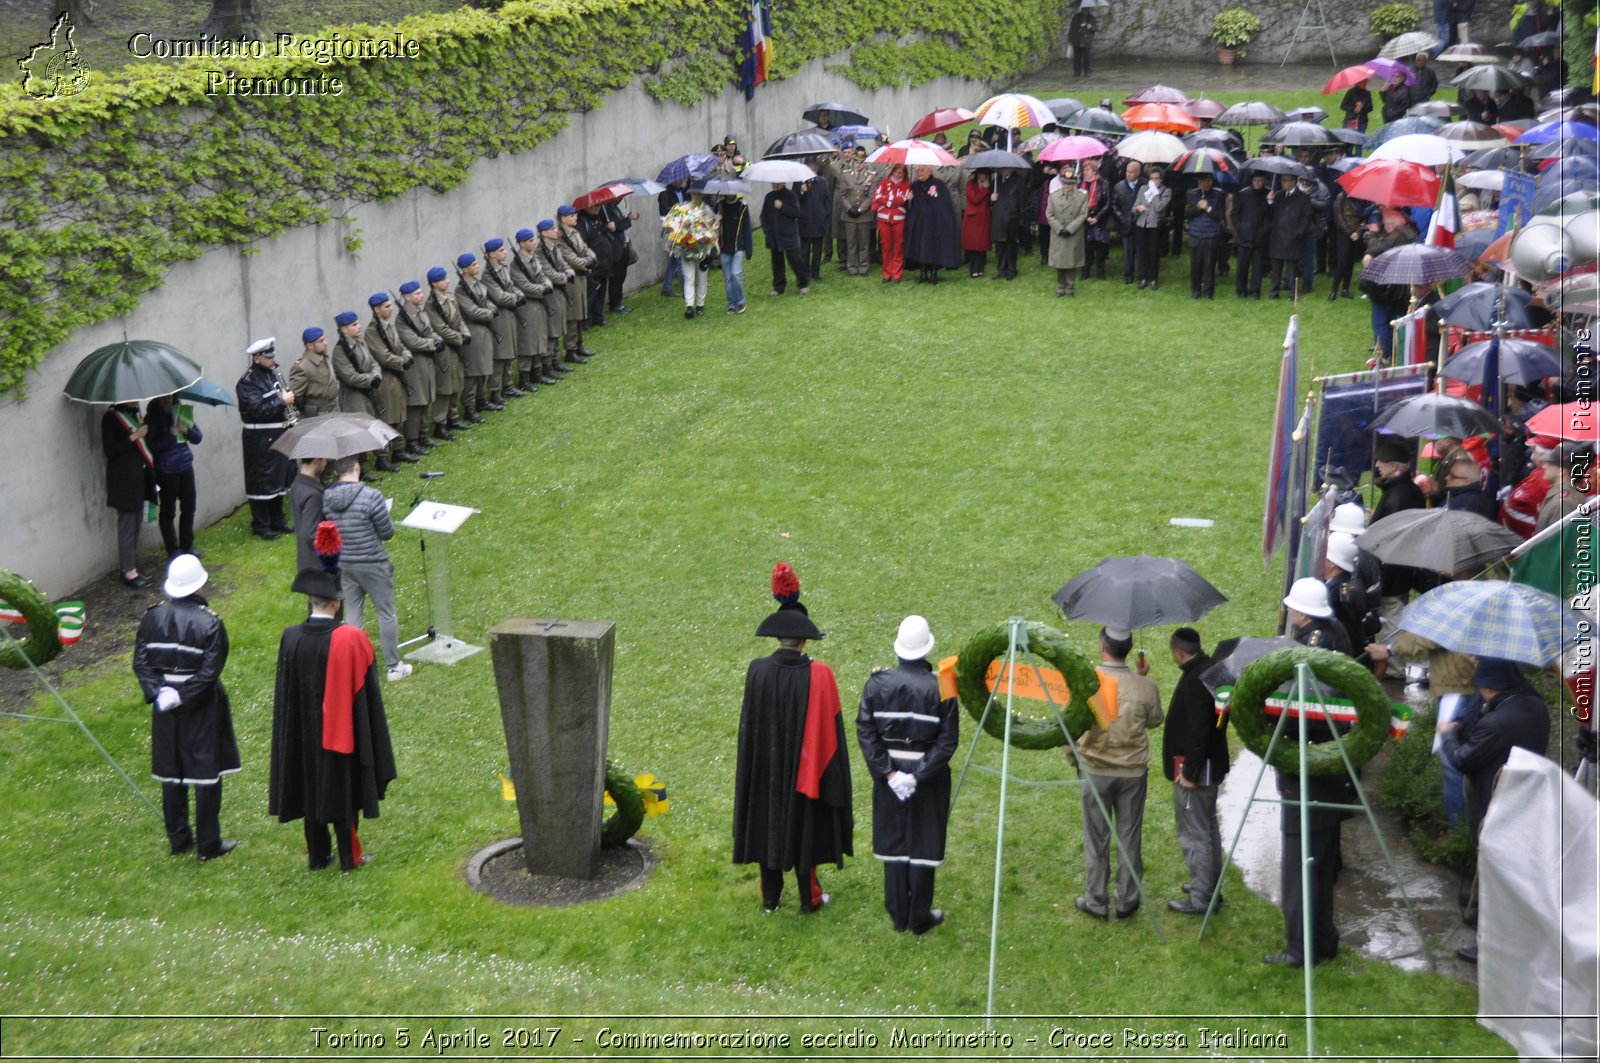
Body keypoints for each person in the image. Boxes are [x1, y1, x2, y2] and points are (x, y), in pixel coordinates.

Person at [732, 564, 852, 914]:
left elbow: (750, 726)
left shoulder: (757, 671)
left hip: (766, 768)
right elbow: (833, 739)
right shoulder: (821, 675)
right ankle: (809, 898)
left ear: (778, 638)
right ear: (804, 640)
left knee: (767, 823)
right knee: (805, 829)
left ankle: (770, 899)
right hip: (805, 771)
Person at [269, 567, 398, 872]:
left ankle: (317, 856)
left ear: (310, 602)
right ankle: (348, 857)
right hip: (343, 733)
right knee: (344, 789)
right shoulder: (351, 639)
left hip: (303, 734)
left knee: (309, 783)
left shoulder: (291, 638)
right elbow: (367, 697)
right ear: (336, 604)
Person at [1439, 657, 1552, 963]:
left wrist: (1448, 733)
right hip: (1525, 797)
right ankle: (1476, 911)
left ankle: (1487, 946)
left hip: (1494, 800)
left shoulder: (1496, 722)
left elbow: (1463, 759)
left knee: (1493, 869)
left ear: (1488, 688)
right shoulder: (1534, 706)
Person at [856, 615, 959, 934]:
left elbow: (866, 730)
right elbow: (947, 741)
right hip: (927, 779)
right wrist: (918, 775)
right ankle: (918, 916)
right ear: (927, 648)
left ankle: (898, 912)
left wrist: (889, 773)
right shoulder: (941, 688)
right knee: (924, 844)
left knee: (894, 842)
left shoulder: (877, 684)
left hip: (890, 777)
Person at [132, 554, 240, 860]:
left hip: (165, 704)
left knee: (172, 770)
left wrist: (158, 692)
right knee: (206, 772)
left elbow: (141, 662)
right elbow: (210, 670)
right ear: (198, 584)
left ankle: (179, 839)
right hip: (201, 703)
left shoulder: (151, 617)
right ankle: (208, 844)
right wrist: (185, 693)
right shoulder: (211, 622)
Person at [1072, 626, 1163, 921]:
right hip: (1132, 772)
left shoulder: (1087, 684)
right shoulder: (1144, 687)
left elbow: (1069, 727)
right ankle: (1127, 899)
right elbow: (1155, 720)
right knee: (1129, 836)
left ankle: (1097, 900)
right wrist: (1142, 681)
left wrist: (1075, 760)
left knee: (1096, 836)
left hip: (1094, 770)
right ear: (1129, 649)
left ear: (1102, 647)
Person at [320, 455, 409, 682]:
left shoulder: (327, 497)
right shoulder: (372, 496)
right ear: (357, 468)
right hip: (373, 562)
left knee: (353, 613)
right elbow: (387, 532)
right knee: (386, 612)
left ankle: (351, 666)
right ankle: (393, 667)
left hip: (346, 562)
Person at [1162, 627, 1229, 915]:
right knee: (1208, 827)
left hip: (1197, 771)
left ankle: (1202, 897)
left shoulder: (1194, 681)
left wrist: (1189, 771)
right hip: (1213, 764)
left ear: (1179, 652)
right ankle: (1209, 884)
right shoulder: (1213, 670)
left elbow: (1200, 731)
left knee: (1195, 832)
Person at [235, 337, 296, 539]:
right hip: (259, 437)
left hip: (278, 432)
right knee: (261, 479)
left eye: (273, 355)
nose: (273, 359)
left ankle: (277, 519)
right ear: (257, 358)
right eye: (268, 357)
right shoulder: (247, 382)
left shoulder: (272, 374)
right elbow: (258, 410)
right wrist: (281, 401)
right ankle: (261, 525)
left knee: (278, 477)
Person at [330, 310, 393, 471]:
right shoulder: (339, 352)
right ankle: (361, 467)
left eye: (358, 323)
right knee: (358, 432)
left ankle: (382, 458)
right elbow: (349, 376)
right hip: (354, 396)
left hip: (370, 390)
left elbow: (373, 363)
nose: (359, 326)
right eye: (354, 325)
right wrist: (371, 380)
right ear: (344, 330)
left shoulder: (361, 343)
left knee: (375, 424)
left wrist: (376, 374)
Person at [143, 394, 202, 562]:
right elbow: (151, 446)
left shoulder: (181, 411)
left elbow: (198, 437)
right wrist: (170, 434)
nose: (168, 400)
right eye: (164, 398)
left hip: (185, 465)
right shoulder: (151, 417)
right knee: (168, 511)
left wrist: (185, 430)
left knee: (189, 507)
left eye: (170, 397)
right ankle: (173, 550)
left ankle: (187, 546)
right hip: (166, 470)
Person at [363, 293, 417, 466]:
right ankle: (382, 456)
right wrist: (402, 362)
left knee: (399, 415)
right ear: (376, 310)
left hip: (397, 377)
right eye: (386, 306)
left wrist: (407, 356)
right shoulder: (372, 332)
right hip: (385, 380)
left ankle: (398, 450)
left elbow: (401, 346)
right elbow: (383, 356)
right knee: (386, 419)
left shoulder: (389, 326)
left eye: (390, 305)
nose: (391, 308)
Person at [483, 236, 534, 399]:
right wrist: (515, 298)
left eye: (504, 249)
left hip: (510, 315)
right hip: (499, 318)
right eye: (501, 251)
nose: (505, 252)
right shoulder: (487, 275)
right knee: (500, 356)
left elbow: (512, 287)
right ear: (492, 255)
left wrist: (519, 294)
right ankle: (495, 390)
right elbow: (498, 297)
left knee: (509, 353)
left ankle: (508, 385)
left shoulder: (503, 269)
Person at [394, 279, 444, 446]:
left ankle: (423, 434)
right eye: (417, 293)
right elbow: (412, 341)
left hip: (427, 361)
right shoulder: (402, 319)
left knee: (427, 398)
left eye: (421, 292)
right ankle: (412, 439)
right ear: (407, 298)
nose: (421, 295)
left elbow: (430, 331)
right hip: (415, 364)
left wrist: (437, 339)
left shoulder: (420, 312)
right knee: (416, 403)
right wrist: (432, 344)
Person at [451, 254, 499, 422]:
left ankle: (481, 399)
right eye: (473, 264)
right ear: (465, 269)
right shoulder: (461, 290)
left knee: (483, 368)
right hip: (473, 332)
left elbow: (488, 302)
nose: (477, 266)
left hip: (484, 331)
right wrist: (490, 313)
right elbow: (472, 311)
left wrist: (491, 310)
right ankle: (469, 406)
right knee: (472, 373)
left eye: (477, 263)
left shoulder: (478, 284)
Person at [422, 266, 468, 436]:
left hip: (455, 346)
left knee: (456, 381)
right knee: (444, 387)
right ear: (434, 283)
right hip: (444, 349)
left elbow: (459, 319)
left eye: (446, 278)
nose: (447, 281)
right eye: (442, 279)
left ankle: (453, 417)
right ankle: (440, 423)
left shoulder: (450, 297)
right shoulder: (431, 304)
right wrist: (459, 338)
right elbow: (440, 328)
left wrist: (465, 333)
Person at [663, 186, 719, 318]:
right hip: (687, 250)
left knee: (702, 278)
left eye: (697, 194)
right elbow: (677, 225)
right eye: (693, 194)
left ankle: (700, 305)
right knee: (689, 278)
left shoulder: (707, 210)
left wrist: (708, 244)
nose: (695, 196)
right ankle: (689, 306)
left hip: (703, 250)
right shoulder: (684, 209)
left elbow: (714, 229)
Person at [555, 204, 599, 362]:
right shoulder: (560, 237)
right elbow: (569, 258)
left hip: (581, 277)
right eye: (572, 216)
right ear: (563, 219)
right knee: (573, 315)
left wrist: (591, 257)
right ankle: (570, 349)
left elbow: (586, 248)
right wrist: (586, 263)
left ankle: (579, 344)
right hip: (572, 280)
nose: (576, 217)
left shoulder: (574, 232)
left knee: (581, 312)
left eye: (575, 215)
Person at [904, 164, 961, 284]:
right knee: (920, 247)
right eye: (918, 170)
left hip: (935, 223)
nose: (919, 173)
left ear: (929, 171)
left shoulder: (938, 184)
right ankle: (922, 272)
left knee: (933, 248)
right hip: (919, 224)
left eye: (922, 170)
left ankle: (934, 272)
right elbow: (910, 207)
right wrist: (908, 199)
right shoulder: (914, 186)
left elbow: (944, 205)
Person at [1266, 174, 1311, 299]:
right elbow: (1270, 214)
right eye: (1282, 180)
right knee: (1276, 267)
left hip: (1293, 237)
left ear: (1294, 182)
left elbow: (1306, 217)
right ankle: (1274, 292)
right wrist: (1270, 201)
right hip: (1277, 236)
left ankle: (1293, 292)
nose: (1283, 183)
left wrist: (1299, 233)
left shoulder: (1303, 198)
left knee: (1292, 268)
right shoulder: (1279, 195)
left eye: (1286, 181)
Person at [761, 182, 809, 294]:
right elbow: (763, 216)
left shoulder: (791, 195)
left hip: (788, 234)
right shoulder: (769, 197)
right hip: (774, 235)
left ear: (782, 182)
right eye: (772, 183)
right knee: (777, 261)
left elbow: (796, 213)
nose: (774, 185)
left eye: (776, 183)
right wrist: (767, 230)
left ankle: (803, 283)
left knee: (795, 260)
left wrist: (782, 206)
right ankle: (778, 286)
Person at [1046, 167, 1088, 296]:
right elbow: (1049, 214)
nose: (1067, 186)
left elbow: (1083, 214)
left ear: (1074, 183)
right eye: (1064, 183)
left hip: (1073, 233)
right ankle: (1060, 286)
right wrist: (1059, 228)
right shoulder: (1053, 196)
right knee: (1059, 261)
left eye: (1069, 184)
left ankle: (1070, 286)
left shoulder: (1081, 197)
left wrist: (1070, 229)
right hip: (1058, 233)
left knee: (1071, 261)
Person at [1284, 577, 1353, 655]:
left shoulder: (1313, 644)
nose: (1288, 609)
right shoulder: (1333, 624)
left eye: (1291, 607)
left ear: (1302, 615)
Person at [1229, 170, 1271, 298]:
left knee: (1257, 266)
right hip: (1244, 235)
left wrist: (1270, 202)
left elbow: (1270, 216)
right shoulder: (1243, 194)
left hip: (1259, 236)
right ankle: (1241, 289)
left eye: (1260, 181)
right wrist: (1240, 228)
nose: (1257, 183)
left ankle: (1255, 290)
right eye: (1255, 180)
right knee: (1242, 265)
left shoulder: (1268, 195)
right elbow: (1234, 213)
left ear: (1264, 181)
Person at [1186, 171, 1224, 299]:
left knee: (1209, 265)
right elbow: (1187, 214)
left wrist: (1207, 208)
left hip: (1211, 234)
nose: (1200, 183)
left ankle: (1208, 291)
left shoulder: (1218, 195)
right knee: (1195, 265)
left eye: (1203, 181)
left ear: (1210, 181)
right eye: (1199, 181)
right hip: (1195, 233)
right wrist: (1197, 208)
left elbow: (1219, 216)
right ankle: (1195, 290)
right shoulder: (1193, 194)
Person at [1131, 166, 1170, 290]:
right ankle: (1142, 277)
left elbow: (1159, 207)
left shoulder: (1166, 191)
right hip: (1141, 224)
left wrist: (1155, 192)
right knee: (1142, 252)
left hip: (1155, 226)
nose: (1154, 181)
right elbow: (1134, 207)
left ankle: (1153, 278)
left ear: (1161, 180)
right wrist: (1138, 208)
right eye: (1152, 178)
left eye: (1156, 178)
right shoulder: (1143, 189)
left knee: (1153, 252)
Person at [288, 326, 340, 420]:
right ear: (310, 345)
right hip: (316, 415)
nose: (325, 343)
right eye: (321, 341)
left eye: (324, 339)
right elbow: (296, 397)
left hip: (334, 411)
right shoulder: (301, 366)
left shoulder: (324, 358)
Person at [871, 164, 912, 283]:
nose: (898, 175)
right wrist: (893, 199)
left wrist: (887, 199)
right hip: (883, 219)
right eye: (896, 172)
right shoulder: (884, 182)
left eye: (901, 173)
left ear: (904, 174)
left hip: (899, 219)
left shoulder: (907, 185)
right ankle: (887, 273)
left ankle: (897, 273)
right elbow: (877, 197)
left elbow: (903, 200)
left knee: (898, 246)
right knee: (886, 246)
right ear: (892, 171)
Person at [289, 456, 328, 575]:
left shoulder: (297, 483)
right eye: (325, 460)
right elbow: (310, 533)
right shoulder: (313, 495)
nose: (326, 464)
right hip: (319, 567)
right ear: (317, 460)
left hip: (306, 563)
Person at [1435, 447, 1497, 519]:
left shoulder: (1468, 504)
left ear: (1467, 481)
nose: (1446, 477)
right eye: (1449, 473)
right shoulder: (1455, 493)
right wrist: (1435, 493)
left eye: (1452, 476)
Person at [717, 191, 753, 312]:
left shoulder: (742, 207)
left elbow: (747, 229)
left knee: (736, 274)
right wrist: (717, 219)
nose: (729, 193)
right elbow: (711, 223)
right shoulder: (720, 206)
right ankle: (731, 303)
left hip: (738, 247)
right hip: (724, 247)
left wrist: (749, 250)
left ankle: (740, 301)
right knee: (728, 278)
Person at [1112, 160, 1144, 285]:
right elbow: (1114, 205)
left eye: (1131, 172)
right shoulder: (1119, 186)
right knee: (1128, 251)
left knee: (1141, 250)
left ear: (1138, 173)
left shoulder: (1144, 184)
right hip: (1126, 222)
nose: (1128, 174)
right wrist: (1121, 218)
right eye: (1127, 171)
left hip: (1141, 222)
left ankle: (1142, 275)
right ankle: (1128, 275)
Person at [797, 166, 830, 284]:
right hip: (805, 222)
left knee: (817, 249)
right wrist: (802, 191)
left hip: (818, 221)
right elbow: (794, 199)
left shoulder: (821, 182)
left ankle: (815, 272)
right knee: (804, 250)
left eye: (813, 168)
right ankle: (805, 272)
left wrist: (825, 213)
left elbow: (826, 199)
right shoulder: (798, 182)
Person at [1080, 157, 1110, 281]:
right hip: (1085, 220)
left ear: (1094, 170)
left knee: (1100, 248)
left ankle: (1101, 272)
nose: (1085, 172)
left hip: (1099, 220)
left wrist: (1097, 217)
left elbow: (1107, 202)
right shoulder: (1080, 184)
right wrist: (1086, 217)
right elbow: (1078, 202)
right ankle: (1085, 272)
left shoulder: (1103, 183)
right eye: (1084, 169)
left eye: (1087, 169)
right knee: (1087, 249)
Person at [657, 179, 688, 297]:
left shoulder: (683, 191)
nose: (682, 181)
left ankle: (666, 287)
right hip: (672, 230)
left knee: (675, 261)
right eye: (679, 180)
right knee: (679, 260)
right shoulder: (664, 194)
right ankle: (686, 290)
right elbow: (664, 214)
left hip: (683, 229)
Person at [961, 172, 993, 277]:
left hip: (984, 217)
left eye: (984, 174)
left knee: (982, 245)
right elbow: (974, 199)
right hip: (973, 218)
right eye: (980, 174)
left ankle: (981, 268)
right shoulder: (970, 184)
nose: (982, 176)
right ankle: (974, 269)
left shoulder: (991, 184)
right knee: (974, 245)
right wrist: (984, 189)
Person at [1067, 2, 1097, 77]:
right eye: (1083, 9)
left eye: (1086, 9)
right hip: (1077, 39)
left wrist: (1091, 27)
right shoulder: (1076, 17)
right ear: (1081, 9)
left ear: (1088, 9)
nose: (1085, 10)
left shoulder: (1091, 18)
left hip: (1086, 41)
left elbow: (1095, 28)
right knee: (1077, 57)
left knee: (1086, 57)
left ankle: (1087, 71)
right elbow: (1072, 28)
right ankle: (1077, 71)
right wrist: (1070, 39)